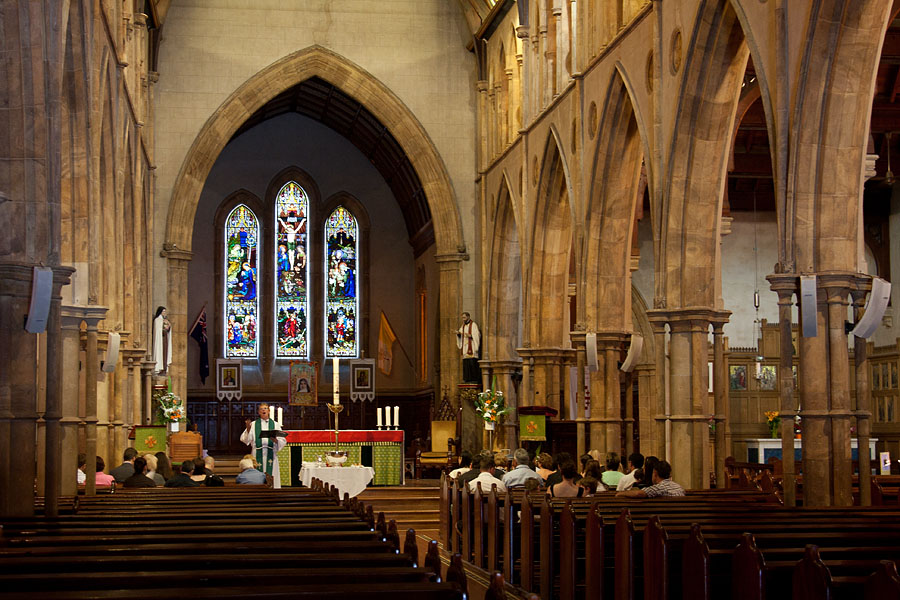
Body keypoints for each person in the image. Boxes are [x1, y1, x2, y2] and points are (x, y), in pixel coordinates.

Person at [241, 403, 287, 488]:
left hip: (271, 454)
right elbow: (245, 440)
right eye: (261, 409)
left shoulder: (275, 424)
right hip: (257, 454)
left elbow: (283, 440)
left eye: (265, 408)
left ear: (269, 411)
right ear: (259, 412)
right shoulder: (254, 424)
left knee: (272, 473)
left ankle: (273, 492)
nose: (263, 410)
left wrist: (276, 441)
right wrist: (248, 430)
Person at [617, 460, 685, 498]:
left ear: (655, 473)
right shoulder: (679, 487)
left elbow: (639, 494)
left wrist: (621, 493)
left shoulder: (658, 488)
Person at [456, 312, 481, 383]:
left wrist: (471, 336)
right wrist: (458, 334)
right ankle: (467, 378)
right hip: (465, 347)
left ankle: (474, 379)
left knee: (472, 363)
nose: (463, 319)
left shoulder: (473, 325)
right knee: (466, 363)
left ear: (468, 317)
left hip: (472, 347)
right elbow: (460, 333)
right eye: (462, 318)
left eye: (464, 317)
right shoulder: (463, 326)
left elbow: (477, 335)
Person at [152, 306, 172, 374]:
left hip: (165, 338)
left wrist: (168, 326)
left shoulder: (165, 320)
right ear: (160, 312)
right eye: (163, 311)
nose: (164, 313)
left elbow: (168, 329)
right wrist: (163, 327)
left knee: (165, 353)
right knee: (160, 352)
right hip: (160, 339)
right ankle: (159, 368)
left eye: (165, 311)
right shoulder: (157, 320)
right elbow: (157, 330)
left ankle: (164, 368)